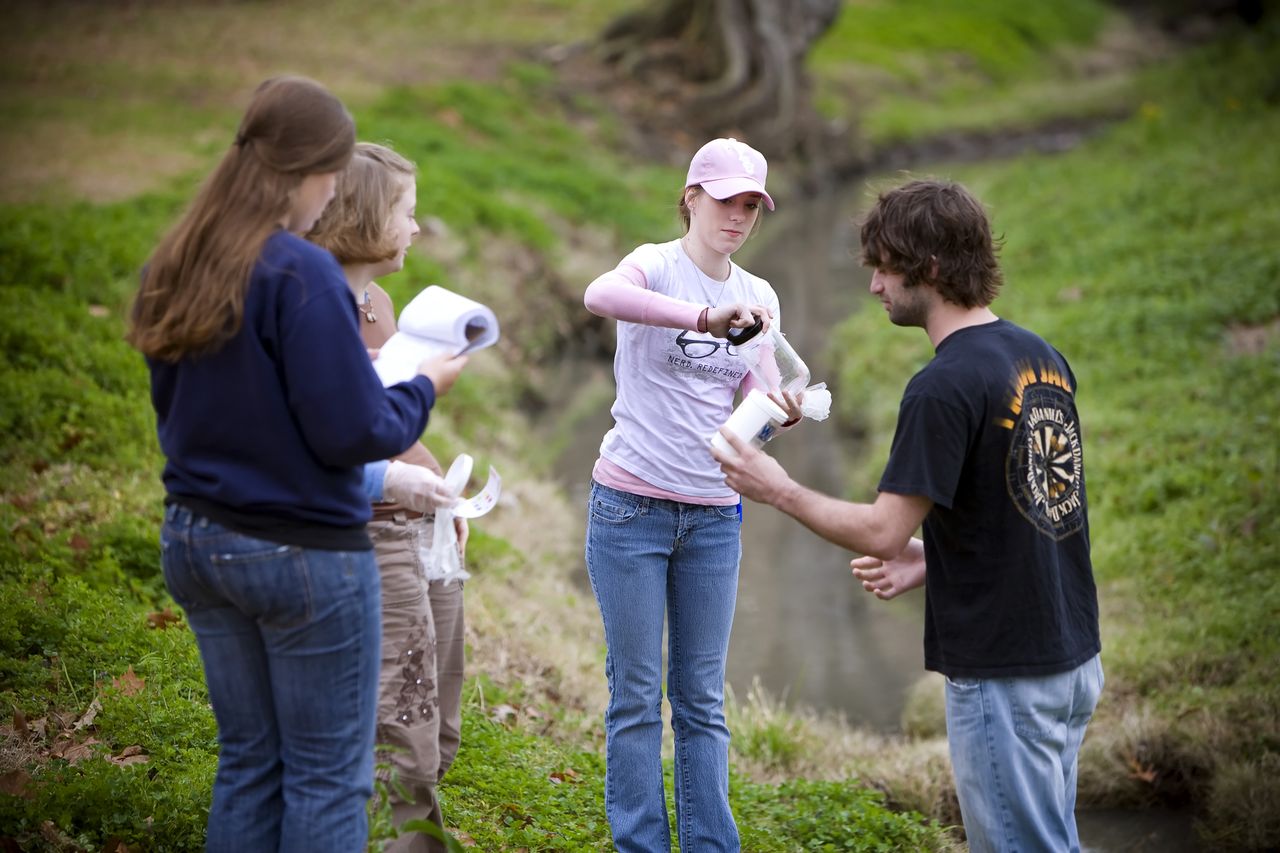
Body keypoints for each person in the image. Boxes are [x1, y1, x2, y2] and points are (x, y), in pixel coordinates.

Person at [126, 76, 467, 852]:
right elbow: (351, 430)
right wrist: (426, 386)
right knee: (326, 775)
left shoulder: (180, 258)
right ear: (312, 173)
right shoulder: (300, 273)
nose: (332, 195)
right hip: (302, 558)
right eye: (332, 177)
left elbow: (205, 416)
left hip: (196, 538)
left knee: (249, 763)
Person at [714, 178, 1103, 853]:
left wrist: (777, 488)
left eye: (884, 266)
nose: (873, 287)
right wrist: (935, 558)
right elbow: (1039, 499)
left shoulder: (942, 385)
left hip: (1005, 668)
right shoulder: (1040, 355)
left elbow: (882, 530)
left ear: (928, 267)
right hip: (1070, 657)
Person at [582, 137, 803, 852]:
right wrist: (701, 319)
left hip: (713, 516)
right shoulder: (655, 265)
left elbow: (754, 396)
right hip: (630, 509)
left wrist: (782, 408)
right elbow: (599, 296)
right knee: (637, 697)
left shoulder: (760, 295)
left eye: (750, 206)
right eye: (725, 200)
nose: (737, 217)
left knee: (703, 700)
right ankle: (639, 843)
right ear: (691, 197)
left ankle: (712, 844)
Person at [307, 141, 469, 853]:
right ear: (364, 214)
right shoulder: (315, 308)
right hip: (367, 525)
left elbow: (389, 423)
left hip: (413, 517)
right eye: (405, 210)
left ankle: (414, 821)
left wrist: (444, 491)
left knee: (439, 697)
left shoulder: (378, 300)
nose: (417, 225)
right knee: (400, 710)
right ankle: (399, 836)